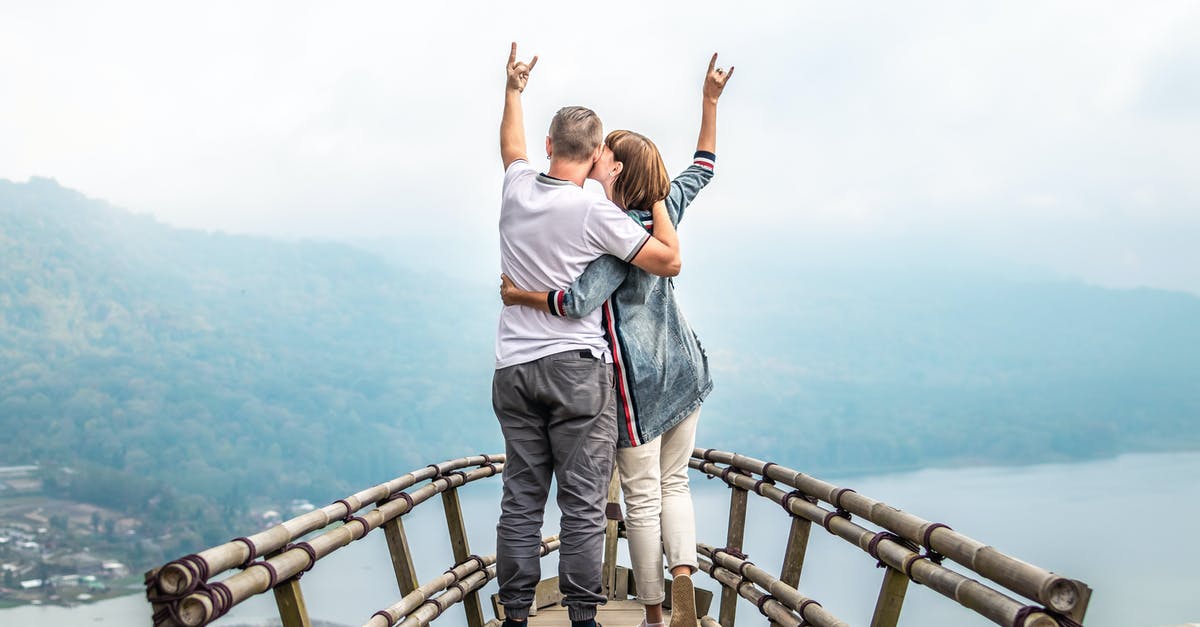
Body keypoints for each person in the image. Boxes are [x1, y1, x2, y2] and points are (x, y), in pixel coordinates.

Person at [500, 54, 734, 627]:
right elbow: (701, 168)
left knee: (632, 499)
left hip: (621, 385)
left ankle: (650, 614)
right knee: (665, 486)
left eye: (610, 160)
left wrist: (521, 296)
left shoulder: (589, 221)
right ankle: (669, 584)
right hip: (679, 373)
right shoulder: (651, 212)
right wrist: (709, 101)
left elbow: (576, 298)